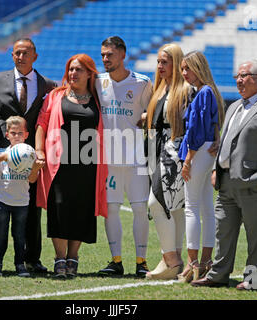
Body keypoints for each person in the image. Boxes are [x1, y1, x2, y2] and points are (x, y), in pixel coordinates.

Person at [191, 59, 257, 290]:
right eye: (238, 76)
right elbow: (224, 141)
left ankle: (253, 279)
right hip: (226, 183)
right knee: (222, 231)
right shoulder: (234, 106)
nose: (239, 80)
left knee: (255, 236)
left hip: (253, 183)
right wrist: (216, 168)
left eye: (244, 76)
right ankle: (218, 274)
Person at [0, 38, 56, 274]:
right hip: (2, 158)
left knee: (33, 208)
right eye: (16, 53)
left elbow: (50, 122)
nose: (20, 57)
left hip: (33, 159)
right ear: (12, 56)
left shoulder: (48, 85)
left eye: (25, 53)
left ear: (35, 56)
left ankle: (32, 258)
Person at [35, 54, 108, 278]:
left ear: (89, 73)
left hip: (88, 164)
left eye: (78, 70)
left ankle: (73, 257)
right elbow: (42, 124)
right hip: (59, 164)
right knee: (58, 209)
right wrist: (39, 150)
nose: (73, 73)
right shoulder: (55, 96)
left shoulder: (98, 99)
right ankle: (59, 258)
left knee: (82, 210)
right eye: (71, 69)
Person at [96, 36, 153, 278]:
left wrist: (145, 118)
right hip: (108, 160)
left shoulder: (142, 82)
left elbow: (152, 114)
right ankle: (116, 261)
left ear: (123, 55)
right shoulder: (97, 82)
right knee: (111, 210)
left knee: (140, 209)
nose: (105, 59)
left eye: (109, 55)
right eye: (102, 55)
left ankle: (142, 262)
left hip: (136, 159)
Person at [144, 44, 192, 280]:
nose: (160, 66)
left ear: (177, 62)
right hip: (155, 150)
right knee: (174, 208)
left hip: (174, 153)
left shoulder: (186, 90)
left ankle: (170, 258)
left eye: (165, 61)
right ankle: (175, 261)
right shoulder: (160, 89)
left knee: (156, 203)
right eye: (158, 62)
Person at [177, 51, 225, 283]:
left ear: (199, 67)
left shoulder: (203, 92)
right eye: (183, 69)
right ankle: (206, 261)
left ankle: (192, 262)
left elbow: (196, 128)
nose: (185, 73)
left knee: (192, 207)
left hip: (198, 152)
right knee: (206, 207)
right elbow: (213, 123)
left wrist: (188, 160)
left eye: (188, 68)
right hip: (207, 152)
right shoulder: (209, 91)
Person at [0, 116, 43, 277]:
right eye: (13, 133)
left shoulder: (30, 155)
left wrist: (35, 169)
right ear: (6, 134)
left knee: (19, 236)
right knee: (0, 235)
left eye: (20, 133)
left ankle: (20, 265)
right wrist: (3, 157)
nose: (17, 136)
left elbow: (31, 180)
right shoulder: (3, 152)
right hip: (2, 200)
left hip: (22, 202)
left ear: (26, 135)